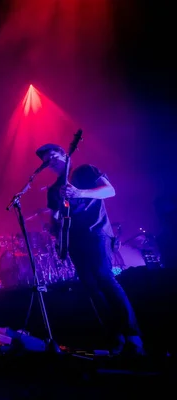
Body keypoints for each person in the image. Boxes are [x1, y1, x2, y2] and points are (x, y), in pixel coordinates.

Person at [35, 143, 145, 356]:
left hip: (96, 232)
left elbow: (109, 190)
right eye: (46, 159)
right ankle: (115, 337)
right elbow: (55, 217)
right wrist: (54, 226)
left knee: (104, 278)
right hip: (74, 239)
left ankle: (133, 335)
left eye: (53, 155)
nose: (50, 160)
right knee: (91, 287)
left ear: (65, 155)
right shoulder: (53, 189)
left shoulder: (84, 170)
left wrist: (78, 192)